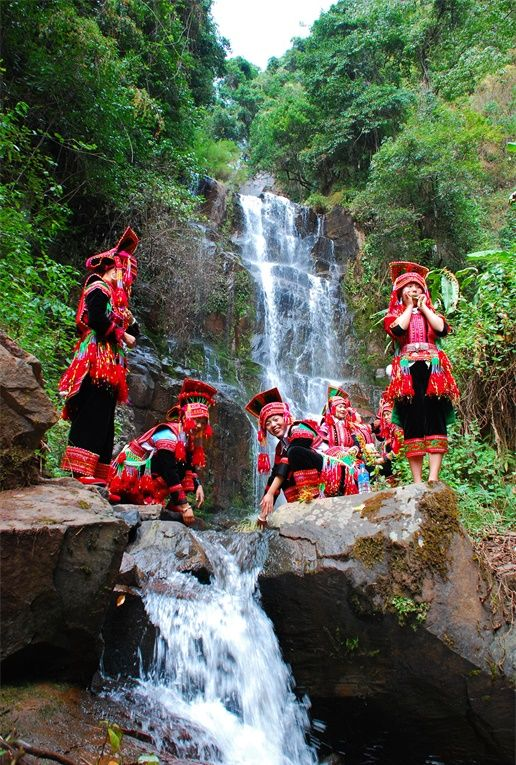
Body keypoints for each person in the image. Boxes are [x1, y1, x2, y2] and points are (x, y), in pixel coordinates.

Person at [59, 227, 139, 483]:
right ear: (112, 269)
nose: (126, 281)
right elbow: (95, 319)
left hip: (110, 359)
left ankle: (98, 470)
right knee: (93, 406)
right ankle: (79, 469)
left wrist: (129, 321)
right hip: (96, 356)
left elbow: (135, 332)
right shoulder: (98, 286)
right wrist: (122, 335)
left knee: (104, 412)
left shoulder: (116, 301)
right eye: (123, 273)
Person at [383, 261, 459, 482]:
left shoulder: (430, 313)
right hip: (408, 372)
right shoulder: (394, 315)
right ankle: (417, 481)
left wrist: (424, 307)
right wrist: (408, 307)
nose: (414, 290)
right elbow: (398, 329)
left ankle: (433, 477)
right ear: (400, 292)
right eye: (409, 287)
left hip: (432, 369)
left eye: (418, 287)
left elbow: (441, 329)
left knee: (435, 417)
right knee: (412, 419)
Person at [108, 378, 217, 525]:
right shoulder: (168, 435)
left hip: (152, 472)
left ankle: (174, 504)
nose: (198, 425)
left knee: (185, 468)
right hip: (130, 478)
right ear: (185, 417)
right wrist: (185, 506)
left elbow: (190, 467)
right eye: (196, 419)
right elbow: (169, 471)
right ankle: (155, 499)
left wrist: (199, 485)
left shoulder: (187, 439)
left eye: (203, 422)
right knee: (173, 466)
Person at [245, 387, 325, 527]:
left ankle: (311, 497)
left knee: (294, 453)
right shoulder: (280, 447)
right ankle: (297, 502)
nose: (273, 425)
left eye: (276, 419)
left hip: (327, 467)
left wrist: (270, 493)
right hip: (310, 466)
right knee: (280, 473)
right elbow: (276, 475)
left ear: (285, 417)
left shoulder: (299, 427)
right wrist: (263, 515)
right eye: (268, 424)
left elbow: (290, 458)